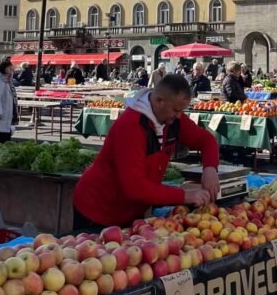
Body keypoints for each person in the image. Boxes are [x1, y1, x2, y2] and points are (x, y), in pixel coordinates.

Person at [73, 74, 221, 229]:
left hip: (131, 210)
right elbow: (135, 187)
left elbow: (207, 141)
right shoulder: (131, 126)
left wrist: (210, 169)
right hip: (98, 208)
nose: (179, 116)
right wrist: (185, 196)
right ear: (159, 101)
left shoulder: (173, 119)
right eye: (176, 110)